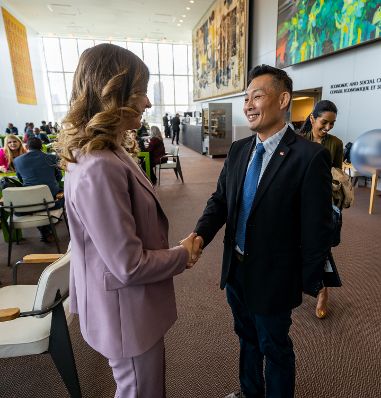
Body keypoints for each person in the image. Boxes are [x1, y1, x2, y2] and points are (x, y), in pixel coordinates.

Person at [55, 43, 196, 398]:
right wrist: (184, 253)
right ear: (112, 93)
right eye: (140, 92)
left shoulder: (105, 153)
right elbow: (128, 265)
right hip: (125, 314)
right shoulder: (100, 165)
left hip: (121, 308)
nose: (147, 103)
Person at [187, 64, 332, 398]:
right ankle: (250, 392)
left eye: (257, 96)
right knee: (246, 337)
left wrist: (305, 279)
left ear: (283, 100)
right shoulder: (239, 150)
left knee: (274, 347)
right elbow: (221, 201)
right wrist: (199, 235)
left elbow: (317, 228)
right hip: (236, 268)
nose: (248, 104)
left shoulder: (310, 158)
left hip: (275, 276)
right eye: (246, 98)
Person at [299, 99, 343, 319]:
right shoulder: (299, 140)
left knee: (323, 249)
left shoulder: (336, 144)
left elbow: (337, 177)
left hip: (325, 205)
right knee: (297, 244)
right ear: (312, 118)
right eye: (324, 122)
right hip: (299, 203)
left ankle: (322, 293)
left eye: (332, 124)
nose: (327, 128)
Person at [13, 137, 63, 242]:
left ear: (26, 147)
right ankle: (47, 229)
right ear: (42, 146)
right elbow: (58, 177)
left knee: (37, 204)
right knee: (62, 195)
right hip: (51, 200)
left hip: (30, 200)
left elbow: (21, 179)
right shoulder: (51, 158)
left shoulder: (17, 160)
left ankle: (45, 230)